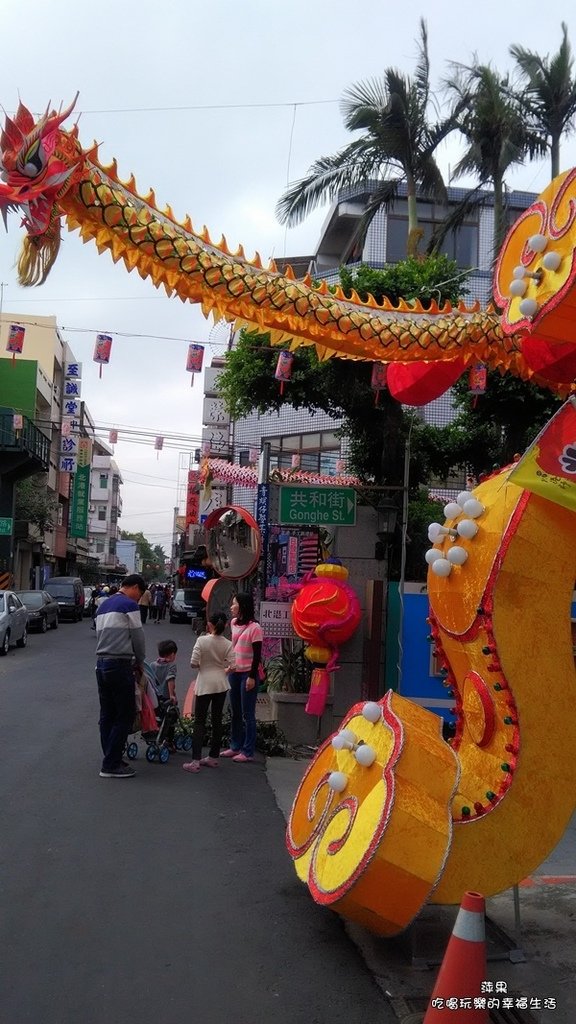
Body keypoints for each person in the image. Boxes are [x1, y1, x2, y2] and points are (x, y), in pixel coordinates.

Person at [95, 573, 146, 779]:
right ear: (134, 587)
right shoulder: (129, 606)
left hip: (101, 664)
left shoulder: (103, 606)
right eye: (140, 594)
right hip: (119, 664)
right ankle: (111, 764)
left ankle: (111, 757)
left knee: (107, 715)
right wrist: (140, 662)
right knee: (125, 714)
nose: (139, 598)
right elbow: (138, 638)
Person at [183, 612, 234, 773]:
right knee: (217, 720)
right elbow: (234, 665)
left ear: (210, 625)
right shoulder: (228, 643)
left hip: (204, 683)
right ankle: (213, 757)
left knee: (199, 721)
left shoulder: (202, 640)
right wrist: (223, 670)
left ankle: (195, 760)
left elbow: (193, 663)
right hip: (221, 683)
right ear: (225, 625)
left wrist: (203, 667)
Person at [220, 593, 263, 763]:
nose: (231, 607)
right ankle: (235, 745)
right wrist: (229, 666)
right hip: (235, 673)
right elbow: (233, 648)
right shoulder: (233, 623)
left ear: (242, 606)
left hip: (248, 674)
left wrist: (252, 677)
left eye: (234, 604)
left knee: (248, 714)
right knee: (235, 711)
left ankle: (248, 751)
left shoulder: (255, 628)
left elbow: (257, 655)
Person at [151, 638, 179, 749]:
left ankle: (154, 735)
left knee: (158, 717)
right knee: (171, 718)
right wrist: (172, 695)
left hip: (155, 697)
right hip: (167, 697)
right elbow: (170, 680)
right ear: (172, 654)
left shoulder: (152, 665)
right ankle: (168, 741)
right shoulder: (171, 665)